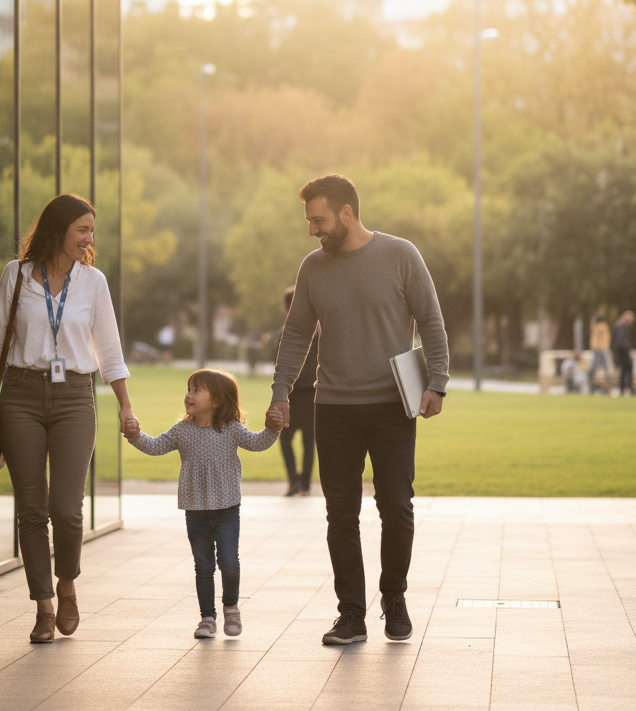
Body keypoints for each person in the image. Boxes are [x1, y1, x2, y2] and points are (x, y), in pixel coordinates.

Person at [265, 174, 449, 647]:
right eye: (309, 221)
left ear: (347, 213)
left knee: (396, 507)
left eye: (319, 220)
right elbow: (296, 335)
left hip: (392, 405)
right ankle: (351, 614)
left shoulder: (400, 255)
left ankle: (395, 598)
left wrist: (438, 384)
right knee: (340, 514)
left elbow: (430, 319)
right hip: (335, 408)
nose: (313, 230)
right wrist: (281, 391)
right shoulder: (313, 268)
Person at [0, 194, 135, 644]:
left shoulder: (93, 283)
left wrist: (126, 405)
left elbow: (109, 350)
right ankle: (42, 606)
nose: (89, 239)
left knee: (67, 509)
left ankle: (67, 584)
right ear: (58, 231)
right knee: (32, 509)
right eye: (83, 230)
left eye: (91, 231)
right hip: (19, 395)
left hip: (76, 397)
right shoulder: (15, 276)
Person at [123, 369, 279, 639]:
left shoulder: (230, 429)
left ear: (217, 400)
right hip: (195, 511)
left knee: (229, 562)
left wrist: (273, 428)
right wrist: (135, 436)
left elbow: (257, 442)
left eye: (197, 390)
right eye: (189, 389)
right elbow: (156, 446)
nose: (188, 395)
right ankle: (207, 618)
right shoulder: (182, 430)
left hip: (227, 509)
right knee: (203, 565)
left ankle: (231, 607)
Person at [277, 286, 317, 496]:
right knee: (309, 442)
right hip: (313, 394)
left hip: (291, 396)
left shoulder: (285, 334)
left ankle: (293, 481)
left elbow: (278, 366)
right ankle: (306, 484)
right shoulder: (319, 331)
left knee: (285, 440)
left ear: (286, 307)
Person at [612, 310, 636, 396]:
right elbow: (621, 341)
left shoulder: (619, 326)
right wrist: (628, 349)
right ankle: (630, 388)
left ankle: (623, 389)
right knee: (629, 368)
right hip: (623, 351)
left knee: (623, 370)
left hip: (620, 351)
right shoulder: (623, 326)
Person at [588, 313, 612, 393]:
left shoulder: (599, 326)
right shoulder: (604, 326)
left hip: (599, 350)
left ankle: (592, 387)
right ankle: (607, 388)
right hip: (602, 349)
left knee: (594, 369)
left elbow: (595, 338)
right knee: (605, 369)